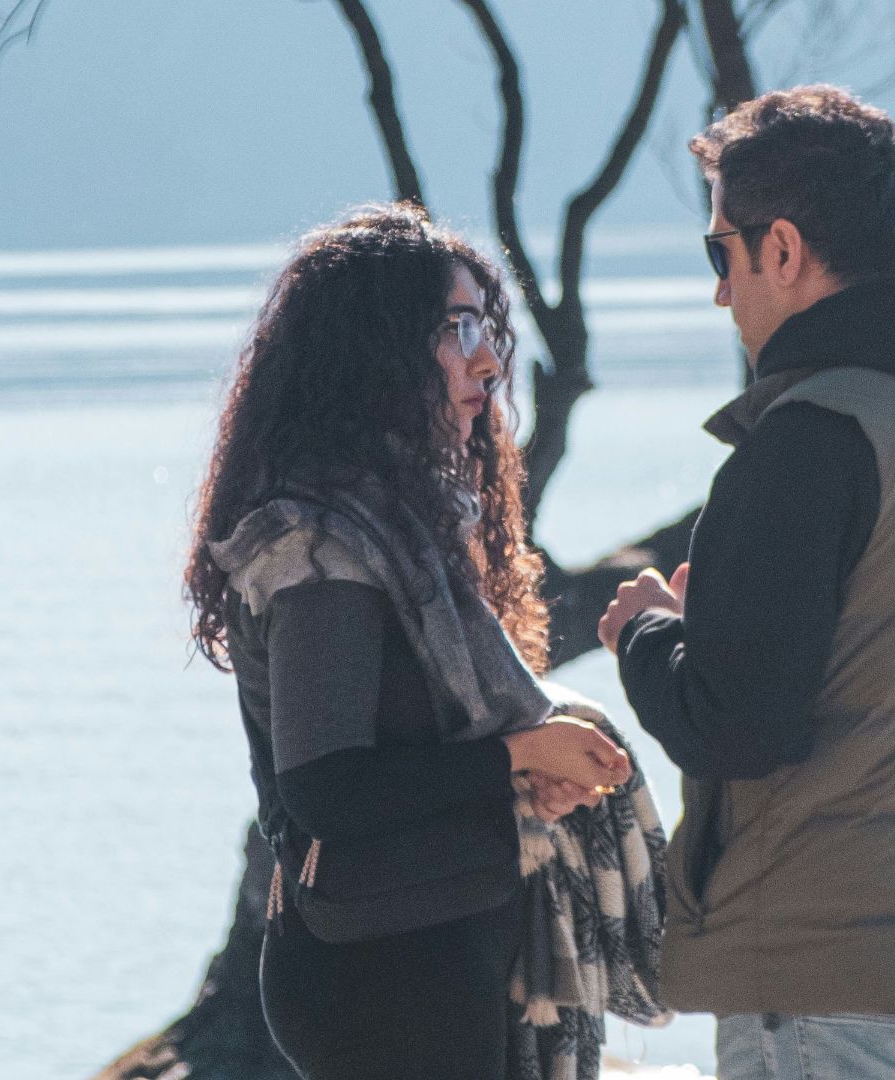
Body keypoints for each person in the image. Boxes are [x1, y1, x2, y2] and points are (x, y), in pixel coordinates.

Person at [596, 86, 895, 1080]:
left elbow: (739, 727)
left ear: (780, 249)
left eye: (719, 253)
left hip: (824, 998)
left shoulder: (807, 440)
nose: (722, 295)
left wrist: (648, 636)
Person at [183, 203, 644, 1079]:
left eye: (486, 325)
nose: (488, 358)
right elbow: (328, 790)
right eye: (456, 327)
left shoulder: (407, 531)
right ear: (374, 354)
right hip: (375, 977)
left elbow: (426, 751)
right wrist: (515, 754)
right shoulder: (324, 549)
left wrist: (526, 773)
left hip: (430, 949)